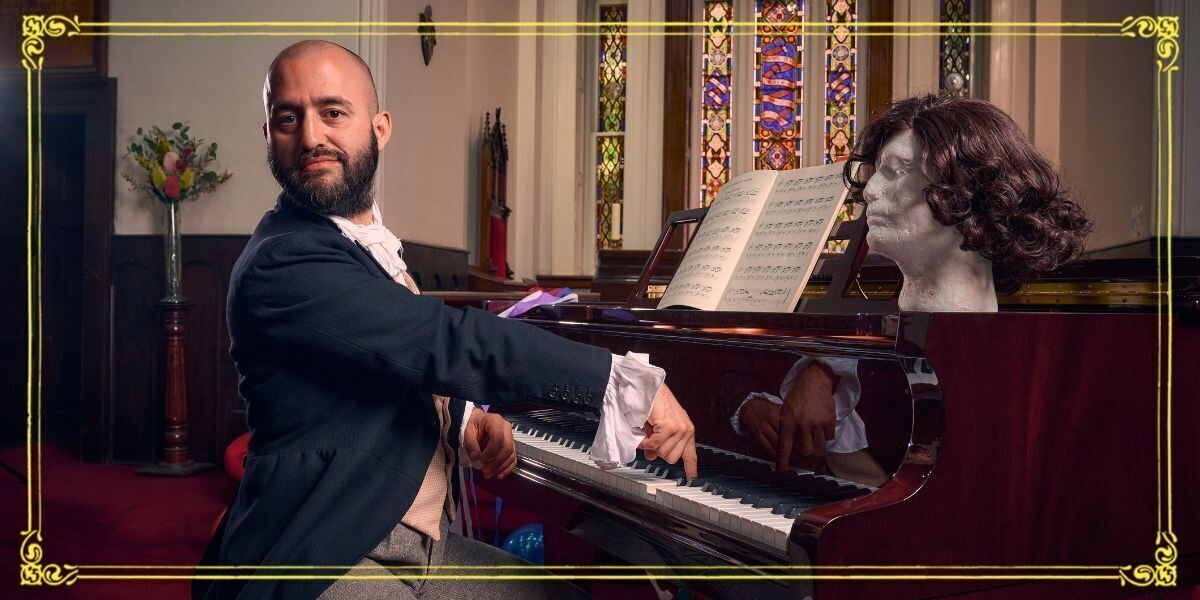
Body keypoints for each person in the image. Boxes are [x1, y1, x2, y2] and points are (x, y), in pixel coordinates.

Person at [194, 40, 697, 600]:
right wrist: (621, 383)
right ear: (270, 136)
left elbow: (380, 359)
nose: (312, 136)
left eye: (333, 112)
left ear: (380, 128)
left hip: (410, 542)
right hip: (324, 549)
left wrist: (461, 422)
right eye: (289, 118)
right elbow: (442, 340)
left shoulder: (361, 249)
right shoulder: (283, 258)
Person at [739, 94, 1091, 477]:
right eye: (877, 171)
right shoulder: (880, 359)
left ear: (969, 190)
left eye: (895, 169)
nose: (870, 189)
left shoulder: (1022, 376)